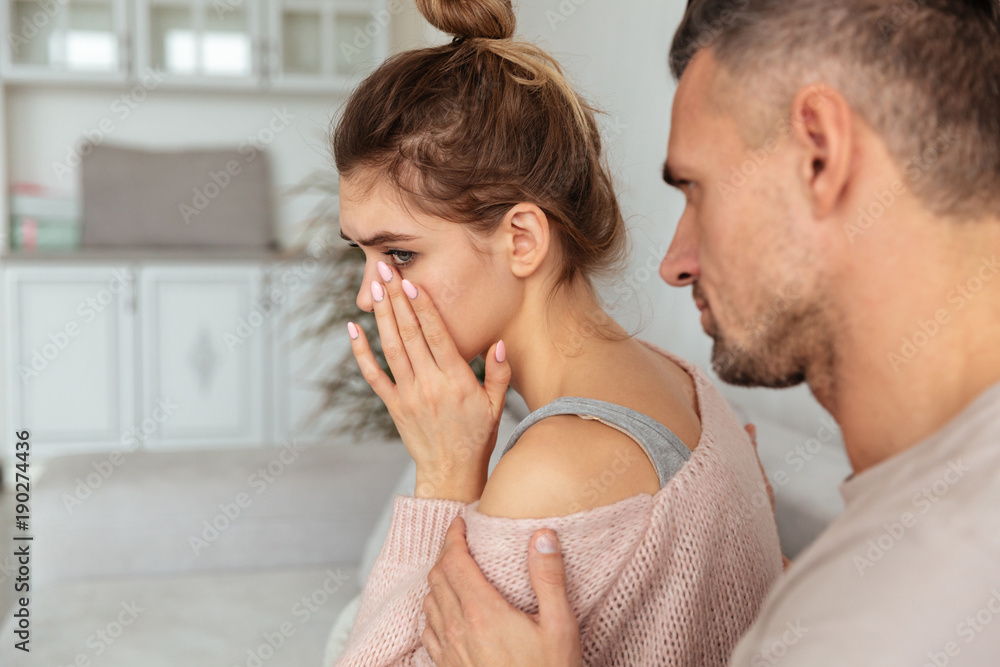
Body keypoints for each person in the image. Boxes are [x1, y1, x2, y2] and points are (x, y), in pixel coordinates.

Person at [419, 0, 1000, 665]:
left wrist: (442, 475)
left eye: (697, 190)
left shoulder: (883, 617)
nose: (675, 262)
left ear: (821, 154)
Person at [331, 0, 785, 664]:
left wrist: (445, 480)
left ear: (521, 239)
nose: (368, 295)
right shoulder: (679, 381)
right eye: (361, 256)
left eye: (399, 255)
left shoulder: (551, 474)